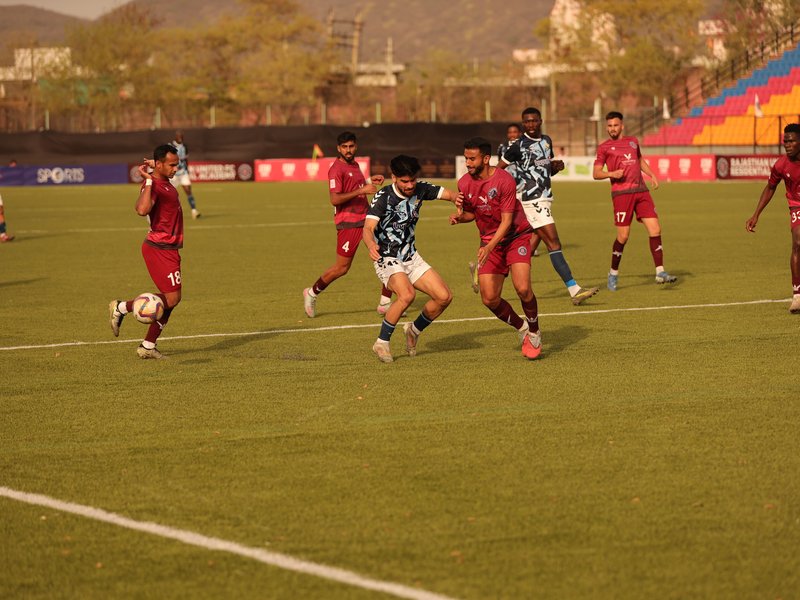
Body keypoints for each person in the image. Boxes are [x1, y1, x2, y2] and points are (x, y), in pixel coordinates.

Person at [363, 154, 461, 363]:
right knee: (407, 295)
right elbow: (368, 228)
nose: (409, 186)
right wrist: (371, 244)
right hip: (386, 256)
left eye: (412, 180)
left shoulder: (421, 188)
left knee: (444, 297)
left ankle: (413, 331)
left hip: (410, 255)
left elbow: (451, 195)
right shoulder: (384, 197)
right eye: (404, 181)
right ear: (394, 177)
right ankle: (382, 342)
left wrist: (459, 203)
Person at [498, 106, 599, 305]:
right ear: (523, 124)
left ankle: (483, 267)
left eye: (534, 121)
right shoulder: (518, 146)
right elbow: (498, 170)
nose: (531, 124)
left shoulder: (546, 141)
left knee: (524, 248)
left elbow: (544, 170)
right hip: (531, 199)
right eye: (527, 121)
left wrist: (555, 168)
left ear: (541, 121)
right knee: (554, 243)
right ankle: (574, 289)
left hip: (545, 197)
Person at [452, 138, 542, 359]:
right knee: (489, 298)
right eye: (466, 159)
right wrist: (461, 217)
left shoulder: (504, 180)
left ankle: (534, 330)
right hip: (489, 242)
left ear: (485, 158)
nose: (468, 163)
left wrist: (489, 246)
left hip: (515, 236)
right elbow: (474, 213)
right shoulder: (463, 183)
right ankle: (522, 328)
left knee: (522, 288)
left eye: (472, 159)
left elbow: (507, 221)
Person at [302, 131, 395, 318]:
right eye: (344, 147)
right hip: (348, 223)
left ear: (356, 146)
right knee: (342, 268)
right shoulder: (336, 169)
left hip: (368, 219)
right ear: (338, 149)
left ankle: (385, 303)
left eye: (351, 146)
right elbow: (335, 199)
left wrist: (369, 181)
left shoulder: (355, 165)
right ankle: (311, 293)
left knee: (389, 256)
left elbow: (356, 187)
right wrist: (363, 189)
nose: (348, 150)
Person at [109, 144, 184, 359]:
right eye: (171, 165)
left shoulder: (164, 181)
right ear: (160, 164)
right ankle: (122, 308)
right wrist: (150, 179)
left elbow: (162, 173)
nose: (175, 169)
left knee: (172, 299)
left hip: (168, 248)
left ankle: (148, 346)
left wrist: (157, 169)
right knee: (171, 298)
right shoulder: (154, 185)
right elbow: (142, 210)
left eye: (176, 165)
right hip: (159, 248)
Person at [593, 111, 677, 291]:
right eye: (609, 126)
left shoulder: (633, 141)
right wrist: (611, 174)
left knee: (655, 229)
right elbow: (596, 173)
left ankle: (660, 272)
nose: (612, 129)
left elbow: (639, 160)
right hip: (622, 195)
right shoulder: (604, 148)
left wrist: (651, 174)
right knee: (623, 236)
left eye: (615, 125)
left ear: (622, 125)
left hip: (641, 191)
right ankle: (613, 273)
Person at [746, 123, 800, 313]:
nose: (787, 144)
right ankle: (797, 296)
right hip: (797, 205)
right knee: (798, 242)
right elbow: (770, 188)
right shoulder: (781, 164)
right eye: (785, 141)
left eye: (792, 141)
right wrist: (756, 214)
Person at [170, 130, 200, 219]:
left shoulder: (185, 146)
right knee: (170, 194)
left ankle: (194, 211)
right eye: (179, 137)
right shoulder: (170, 146)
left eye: (182, 137)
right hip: (173, 174)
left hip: (183, 173)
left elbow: (185, 159)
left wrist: (186, 168)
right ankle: (168, 212)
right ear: (175, 137)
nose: (181, 139)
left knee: (188, 191)